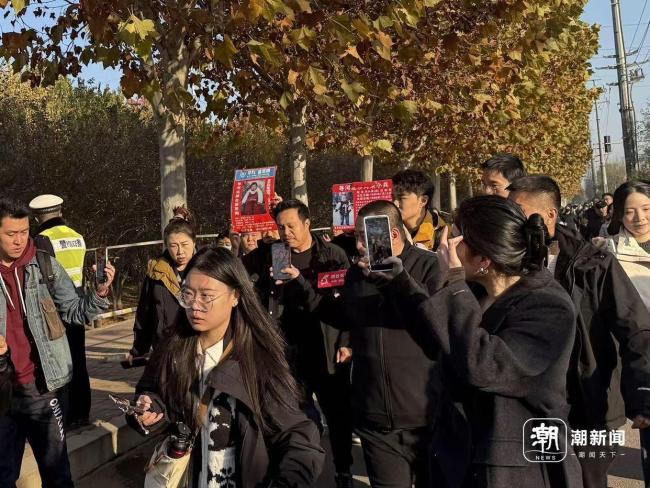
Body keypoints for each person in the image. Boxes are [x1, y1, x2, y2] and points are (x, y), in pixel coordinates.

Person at [375, 196, 582, 487]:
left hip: (516, 465)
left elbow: (483, 365)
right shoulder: (476, 291)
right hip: (459, 452)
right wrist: (400, 281)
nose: (447, 245)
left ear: (484, 259)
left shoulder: (548, 305)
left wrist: (455, 282)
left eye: (456, 237)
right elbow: (438, 340)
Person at [130, 247, 325, 486]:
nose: (194, 305)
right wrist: (149, 407)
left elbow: (298, 436)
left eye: (206, 296)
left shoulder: (260, 359)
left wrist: (287, 480)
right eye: (188, 294)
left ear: (236, 296)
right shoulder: (171, 349)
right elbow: (151, 392)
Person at [508, 176, 650, 488]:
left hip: (590, 401)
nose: (512, 220)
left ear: (549, 215)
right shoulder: (504, 264)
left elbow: (635, 328)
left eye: (520, 212)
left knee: (589, 480)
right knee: (547, 477)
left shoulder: (593, 262)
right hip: (534, 404)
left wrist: (642, 391)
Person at [0, 198, 114, 488]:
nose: (19, 240)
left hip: (41, 388)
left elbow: (74, 311)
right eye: (11, 234)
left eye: (24, 232)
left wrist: (100, 293)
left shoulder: (44, 264)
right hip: (2, 393)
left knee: (58, 475)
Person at [242, 199, 354, 488]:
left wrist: (346, 341)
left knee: (337, 414)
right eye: (281, 227)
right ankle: (296, 471)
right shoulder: (274, 254)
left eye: (291, 226)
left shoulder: (332, 255)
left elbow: (343, 306)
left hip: (327, 348)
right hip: (287, 352)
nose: (286, 232)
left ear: (307, 223)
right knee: (294, 416)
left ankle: (343, 470)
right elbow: (237, 270)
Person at [340, 200, 442, 488]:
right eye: (356, 236)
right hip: (375, 420)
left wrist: (398, 282)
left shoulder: (428, 265)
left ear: (392, 234)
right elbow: (349, 321)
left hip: (426, 415)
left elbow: (435, 328)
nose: (359, 245)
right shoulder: (355, 274)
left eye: (365, 236)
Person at [28, 194, 91, 427]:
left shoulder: (41, 240)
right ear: (60, 212)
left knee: (60, 363)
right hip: (78, 304)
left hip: (55, 309)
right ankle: (82, 412)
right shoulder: (77, 236)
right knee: (79, 361)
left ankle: (67, 415)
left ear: (37, 217)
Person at [605, 181, 650, 487]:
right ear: (619, 214)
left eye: (646, 209)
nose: (640, 218)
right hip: (642, 361)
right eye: (630, 211)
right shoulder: (608, 253)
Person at [129, 207, 197, 360]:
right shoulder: (156, 272)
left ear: (194, 242)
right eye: (173, 245)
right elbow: (144, 314)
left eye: (185, 244)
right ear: (166, 245)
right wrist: (138, 350)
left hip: (197, 347)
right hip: (165, 349)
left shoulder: (207, 268)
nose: (180, 251)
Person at [392, 169, 446, 251]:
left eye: (401, 199)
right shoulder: (388, 230)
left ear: (423, 201)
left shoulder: (444, 235)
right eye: (393, 198)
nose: (394, 203)